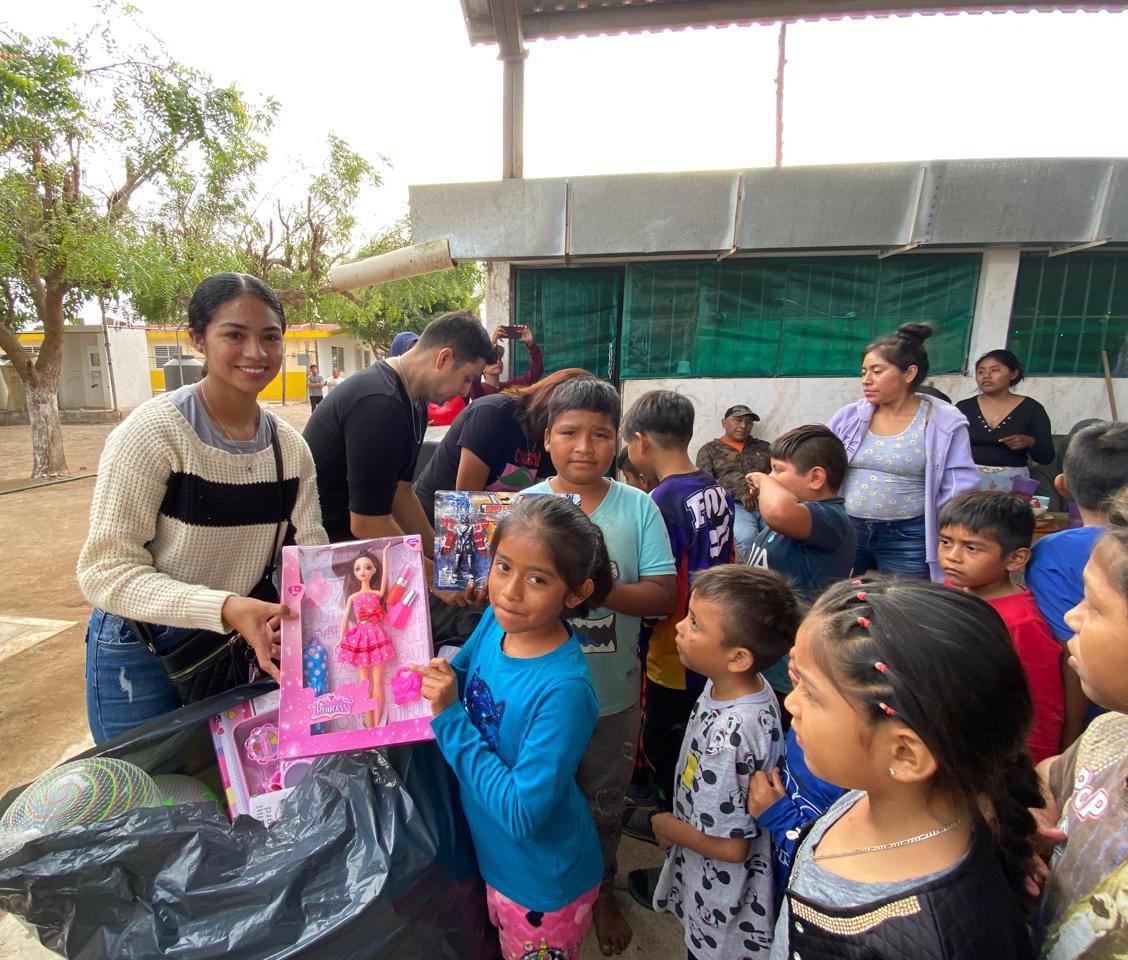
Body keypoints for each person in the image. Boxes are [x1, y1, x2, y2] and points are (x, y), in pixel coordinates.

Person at [78, 274, 328, 744]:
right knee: (144, 800)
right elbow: (105, 571)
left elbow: (311, 561)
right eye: (234, 334)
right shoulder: (152, 434)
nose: (256, 352)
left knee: (224, 787)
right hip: (139, 649)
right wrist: (225, 606)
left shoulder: (290, 452)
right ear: (198, 340)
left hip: (233, 640)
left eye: (270, 336)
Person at [770, 579, 1042, 960]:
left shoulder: (932, 940)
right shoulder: (878, 792)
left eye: (811, 693)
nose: (792, 704)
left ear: (905, 754)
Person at [412, 497, 611, 960]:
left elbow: (523, 812)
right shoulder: (493, 623)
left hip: (541, 887)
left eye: (537, 579)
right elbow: (459, 676)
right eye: (503, 567)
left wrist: (449, 718)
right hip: (495, 861)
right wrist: (431, 675)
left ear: (576, 594)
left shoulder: (564, 691)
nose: (510, 592)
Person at [524, 377, 677, 957]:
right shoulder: (523, 506)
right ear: (547, 439)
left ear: (620, 440)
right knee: (541, 795)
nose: (584, 446)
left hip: (612, 699)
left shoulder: (640, 507)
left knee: (603, 802)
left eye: (600, 434)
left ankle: (601, 887)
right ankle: (545, 885)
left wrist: (597, 589)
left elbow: (662, 596)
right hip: (537, 697)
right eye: (569, 433)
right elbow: (503, 593)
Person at [648, 566, 798, 960]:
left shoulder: (728, 738)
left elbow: (733, 849)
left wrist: (670, 827)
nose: (679, 627)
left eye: (694, 623)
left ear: (737, 657)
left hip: (723, 901)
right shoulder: (745, 687)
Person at [617, 392, 735, 865]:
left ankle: (673, 834)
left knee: (668, 740)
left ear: (639, 442)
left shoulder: (662, 499)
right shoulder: (711, 485)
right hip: (714, 627)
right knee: (692, 726)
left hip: (675, 641)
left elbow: (662, 580)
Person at [303, 311, 494, 545]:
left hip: (358, 543)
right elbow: (367, 523)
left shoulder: (417, 403)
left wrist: (438, 552)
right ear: (443, 359)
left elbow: (401, 493)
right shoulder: (380, 402)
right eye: (468, 379)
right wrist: (432, 573)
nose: (466, 392)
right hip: (323, 548)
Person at [1035, 489, 1128, 959]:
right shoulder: (1113, 730)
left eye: (1093, 604)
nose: (1072, 615)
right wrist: (1032, 811)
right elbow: (1052, 774)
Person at [830, 323, 979, 581]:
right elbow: (821, 459)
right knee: (834, 598)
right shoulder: (850, 416)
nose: (866, 380)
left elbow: (958, 486)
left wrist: (948, 533)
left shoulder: (942, 422)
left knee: (907, 606)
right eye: (863, 372)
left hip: (909, 534)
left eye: (877, 371)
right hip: (848, 527)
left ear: (909, 373)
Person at [938, 491, 1064, 763]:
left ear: (1015, 559)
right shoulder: (953, 588)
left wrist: (1034, 774)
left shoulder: (1021, 623)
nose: (952, 557)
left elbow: (1042, 707)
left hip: (993, 755)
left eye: (972, 548)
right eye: (946, 542)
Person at [1027, 422, 1128, 746]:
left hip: (1088, 718)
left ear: (1062, 485)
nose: (1076, 615)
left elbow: (1063, 650)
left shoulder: (1052, 552)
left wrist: (1069, 737)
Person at [745, 424, 856, 698]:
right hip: (767, 656)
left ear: (816, 477)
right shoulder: (799, 518)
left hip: (792, 669)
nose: (772, 477)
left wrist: (764, 481)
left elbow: (778, 512)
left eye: (778, 470)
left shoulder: (831, 520)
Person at [413, 367, 591, 527]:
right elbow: (467, 499)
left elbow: (543, 501)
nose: (581, 444)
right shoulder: (492, 413)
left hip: (497, 525)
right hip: (437, 523)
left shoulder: (549, 436)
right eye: (572, 430)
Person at [748, 726, 847, 903]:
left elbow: (840, 870)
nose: (791, 703)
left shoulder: (862, 787)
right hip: (770, 876)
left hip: (803, 898)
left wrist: (781, 818)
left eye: (815, 699)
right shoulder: (800, 729)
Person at [956, 350, 1055, 491]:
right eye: (980, 372)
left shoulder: (1031, 408)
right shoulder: (963, 407)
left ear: (1013, 374)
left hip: (1013, 485)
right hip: (967, 482)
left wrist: (1029, 441)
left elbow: (1046, 457)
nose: (986, 376)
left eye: (994, 370)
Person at [695, 404, 770, 563]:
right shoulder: (710, 450)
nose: (743, 426)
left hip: (766, 503)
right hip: (734, 507)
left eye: (748, 422)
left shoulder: (764, 448)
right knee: (746, 538)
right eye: (737, 420)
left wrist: (761, 493)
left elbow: (778, 475)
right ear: (724, 423)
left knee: (779, 537)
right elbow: (706, 485)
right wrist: (737, 494)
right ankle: (754, 581)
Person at [468, 324, 544, 400]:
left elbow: (536, 372)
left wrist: (531, 344)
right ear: (482, 368)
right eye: (492, 360)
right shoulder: (478, 390)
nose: (497, 361)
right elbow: (473, 375)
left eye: (500, 358)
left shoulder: (510, 386)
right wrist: (490, 346)